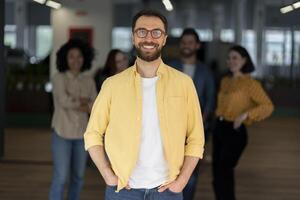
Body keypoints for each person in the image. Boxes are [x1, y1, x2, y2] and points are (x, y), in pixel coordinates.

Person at [84, 9, 205, 200]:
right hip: (123, 190)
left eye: (156, 32)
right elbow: (92, 134)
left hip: (168, 191)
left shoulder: (184, 84)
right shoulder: (112, 85)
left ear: (164, 38)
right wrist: (107, 174)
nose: (149, 38)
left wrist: (181, 181)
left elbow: (196, 138)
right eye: (142, 32)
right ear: (133, 37)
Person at [212, 45, 274, 200]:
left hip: (235, 131)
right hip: (219, 128)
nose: (230, 61)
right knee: (217, 174)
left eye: (235, 58)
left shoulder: (251, 84)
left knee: (224, 171)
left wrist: (246, 115)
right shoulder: (225, 81)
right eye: (228, 58)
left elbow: (268, 106)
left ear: (244, 60)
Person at [168, 28, 215, 199]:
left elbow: (210, 102)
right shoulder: (169, 67)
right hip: (170, 129)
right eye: (183, 42)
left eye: (190, 43)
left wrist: (198, 122)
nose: (186, 46)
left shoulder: (206, 72)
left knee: (191, 175)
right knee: (168, 171)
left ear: (197, 46)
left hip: (195, 131)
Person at [49, 39, 97, 200]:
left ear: (85, 58)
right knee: (61, 178)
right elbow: (63, 101)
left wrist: (76, 101)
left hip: (82, 136)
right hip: (61, 133)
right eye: (71, 56)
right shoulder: (59, 78)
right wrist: (84, 101)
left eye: (79, 56)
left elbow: (95, 106)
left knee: (78, 178)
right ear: (65, 58)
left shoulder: (89, 80)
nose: (76, 60)